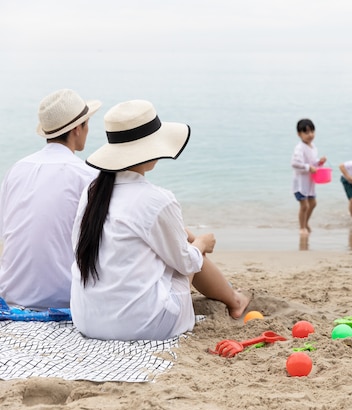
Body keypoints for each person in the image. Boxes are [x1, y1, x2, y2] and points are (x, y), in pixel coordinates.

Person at [71, 99, 250, 341]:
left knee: (171, 247)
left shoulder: (92, 192)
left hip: (87, 319)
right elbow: (186, 263)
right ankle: (235, 301)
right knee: (189, 254)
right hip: (142, 326)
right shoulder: (157, 199)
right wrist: (201, 244)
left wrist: (183, 235)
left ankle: (234, 297)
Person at [0, 89, 101, 309]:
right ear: (77, 128)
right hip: (65, 298)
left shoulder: (16, 170)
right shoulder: (87, 176)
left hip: (11, 294)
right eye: (87, 123)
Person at [291, 119, 326, 237]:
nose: (310, 135)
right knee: (304, 205)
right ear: (299, 134)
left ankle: (305, 223)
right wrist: (308, 167)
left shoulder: (313, 146)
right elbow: (295, 163)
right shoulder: (299, 148)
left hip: (310, 182)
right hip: (300, 183)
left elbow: (312, 162)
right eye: (306, 133)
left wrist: (319, 162)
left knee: (313, 203)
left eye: (312, 131)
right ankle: (302, 227)